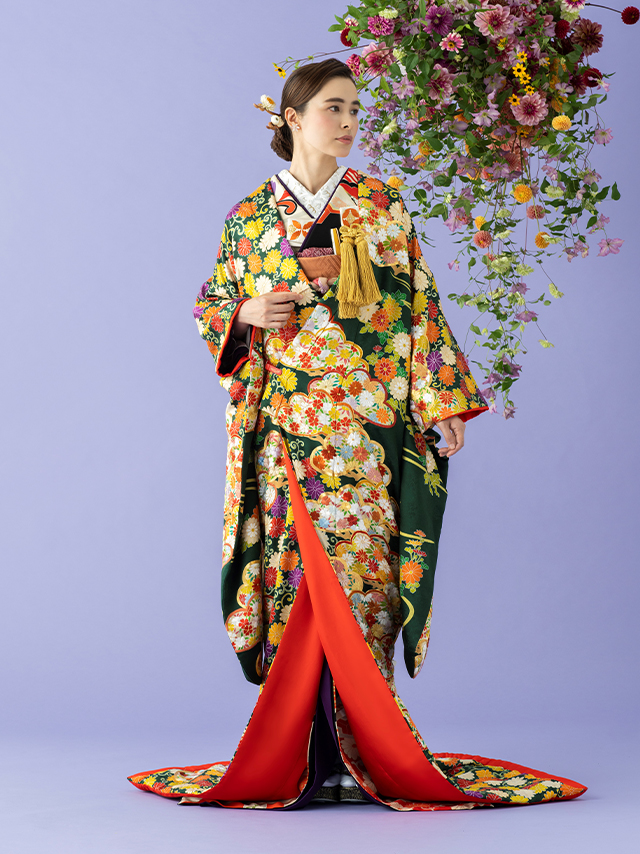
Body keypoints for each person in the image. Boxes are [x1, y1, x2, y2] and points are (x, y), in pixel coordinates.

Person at [129, 59, 586, 810]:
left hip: (366, 430)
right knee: (294, 582)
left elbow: (420, 307)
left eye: (353, 110)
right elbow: (213, 303)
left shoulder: (381, 205)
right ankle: (303, 755)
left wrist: (440, 403)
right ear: (292, 118)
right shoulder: (248, 216)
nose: (347, 123)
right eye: (332, 108)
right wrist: (244, 314)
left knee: (361, 583)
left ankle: (363, 747)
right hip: (287, 429)